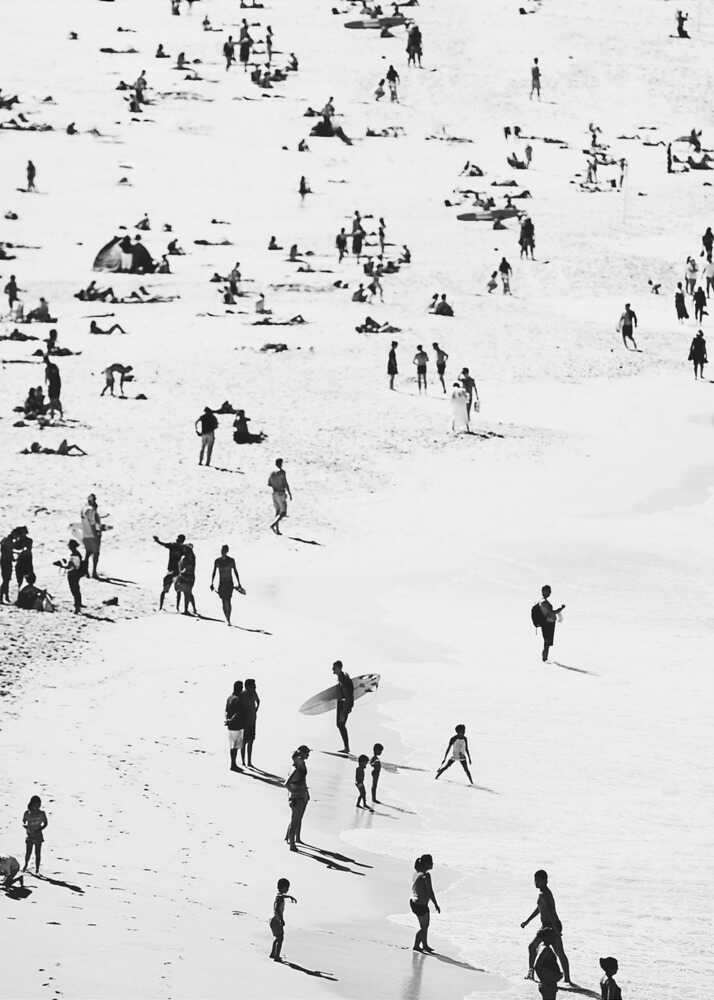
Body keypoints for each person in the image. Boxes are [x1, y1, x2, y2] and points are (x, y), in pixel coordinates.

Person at [522, 869, 572, 985]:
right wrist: (527, 921)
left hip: (551, 927)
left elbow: (550, 912)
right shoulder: (542, 894)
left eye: (538, 880)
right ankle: (531, 972)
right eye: (535, 880)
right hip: (546, 926)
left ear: (545, 881)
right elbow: (539, 909)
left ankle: (567, 979)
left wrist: (556, 930)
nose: (536, 882)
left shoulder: (545, 894)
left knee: (559, 952)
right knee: (532, 947)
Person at [411, 855, 440, 952]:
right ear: (425, 864)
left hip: (414, 903)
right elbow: (430, 892)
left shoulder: (417, 873)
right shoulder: (426, 876)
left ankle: (425, 945)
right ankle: (416, 945)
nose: (432, 864)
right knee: (424, 927)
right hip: (421, 905)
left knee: (424, 926)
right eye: (431, 862)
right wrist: (436, 904)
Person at [210, 544, 245, 626]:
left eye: (224, 550)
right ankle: (227, 618)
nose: (222, 552)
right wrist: (212, 583)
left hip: (229, 583)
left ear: (227, 551)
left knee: (228, 601)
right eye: (222, 550)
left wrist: (239, 583)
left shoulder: (231, 560)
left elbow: (235, 571)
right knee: (223, 601)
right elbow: (214, 572)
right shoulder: (217, 561)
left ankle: (228, 618)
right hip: (221, 583)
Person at [285, 746, 310, 850]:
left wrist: (306, 793)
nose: (308, 754)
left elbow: (303, 780)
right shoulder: (295, 768)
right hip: (297, 797)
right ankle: (292, 845)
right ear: (301, 755)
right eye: (307, 753)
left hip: (303, 795)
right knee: (295, 820)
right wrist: (294, 793)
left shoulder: (302, 764)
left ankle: (291, 838)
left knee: (298, 818)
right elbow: (286, 784)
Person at [153, 533, 186, 609]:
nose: (177, 540)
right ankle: (161, 607)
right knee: (168, 589)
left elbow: (163, 544)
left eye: (179, 539)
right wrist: (157, 540)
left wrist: (157, 541)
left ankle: (175, 607)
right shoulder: (176, 546)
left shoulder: (180, 547)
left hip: (176, 571)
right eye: (177, 539)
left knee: (177, 590)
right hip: (173, 571)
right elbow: (163, 544)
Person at [534, 584, 565, 661]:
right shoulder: (544, 602)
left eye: (550, 591)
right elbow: (551, 613)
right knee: (547, 642)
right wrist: (560, 609)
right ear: (544, 592)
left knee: (547, 642)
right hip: (548, 624)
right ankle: (545, 659)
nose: (549, 593)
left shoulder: (542, 602)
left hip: (548, 623)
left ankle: (545, 658)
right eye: (548, 591)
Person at [269, 878, 297, 961]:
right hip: (277, 921)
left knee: (278, 938)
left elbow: (281, 896)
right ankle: (276, 957)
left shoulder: (279, 896)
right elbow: (277, 909)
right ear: (283, 887)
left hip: (274, 920)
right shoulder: (280, 897)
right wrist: (281, 920)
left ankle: (272, 954)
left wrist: (289, 896)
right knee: (280, 939)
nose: (288, 889)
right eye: (287, 887)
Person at [534, 928, 564, 1000]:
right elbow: (537, 966)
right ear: (546, 937)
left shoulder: (541, 946)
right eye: (552, 936)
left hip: (548, 984)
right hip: (548, 985)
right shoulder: (545, 949)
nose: (554, 938)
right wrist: (547, 979)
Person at [331, 660, 354, 753]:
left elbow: (348, 693)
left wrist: (345, 709)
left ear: (339, 668)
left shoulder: (343, 678)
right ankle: (346, 747)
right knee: (340, 724)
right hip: (342, 703)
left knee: (340, 724)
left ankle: (347, 748)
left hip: (344, 704)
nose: (332, 669)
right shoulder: (342, 676)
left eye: (334, 667)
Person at [22, 796, 48, 874]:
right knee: (28, 852)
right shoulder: (27, 813)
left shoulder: (42, 813)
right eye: (35, 804)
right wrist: (26, 827)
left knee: (37, 853)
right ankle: (26, 864)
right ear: (31, 804)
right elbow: (24, 822)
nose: (37, 806)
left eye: (38, 804)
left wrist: (40, 829)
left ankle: (37, 868)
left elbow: (46, 823)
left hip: (38, 835)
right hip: (30, 834)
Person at [81, 493, 102, 578]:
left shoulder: (83, 509)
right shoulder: (91, 510)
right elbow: (92, 524)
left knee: (87, 553)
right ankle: (94, 572)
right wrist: (96, 534)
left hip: (85, 534)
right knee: (96, 554)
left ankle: (85, 571)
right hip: (92, 535)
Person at [268, 458, 292, 535]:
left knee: (277, 512)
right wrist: (289, 493)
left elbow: (269, 484)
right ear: (281, 463)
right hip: (281, 493)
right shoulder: (282, 472)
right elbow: (285, 483)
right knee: (283, 513)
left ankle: (277, 530)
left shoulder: (272, 473)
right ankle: (273, 525)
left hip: (274, 494)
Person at [60, 539, 84, 613]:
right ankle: (78, 605)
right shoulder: (77, 554)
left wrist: (61, 565)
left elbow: (71, 566)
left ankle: (77, 607)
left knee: (74, 590)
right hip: (76, 573)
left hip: (73, 574)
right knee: (76, 589)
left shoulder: (74, 555)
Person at [225, 680, 245, 771]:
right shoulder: (238, 699)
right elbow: (238, 713)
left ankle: (233, 764)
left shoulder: (229, 698)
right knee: (235, 746)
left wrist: (228, 720)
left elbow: (226, 711)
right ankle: (233, 765)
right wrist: (231, 720)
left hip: (230, 725)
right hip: (236, 724)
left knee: (232, 745)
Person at [240, 678, 260, 767]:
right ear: (248, 686)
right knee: (244, 742)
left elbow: (258, 701)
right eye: (253, 685)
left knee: (251, 741)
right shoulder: (243, 694)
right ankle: (243, 761)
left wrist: (255, 710)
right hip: (245, 722)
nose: (255, 687)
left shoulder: (253, 693)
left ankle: (249, 761)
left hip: (252, 721)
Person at [175, 543, 196, 615]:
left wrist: (181, 572)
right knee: (187, 593)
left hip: (188, 576)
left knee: (187, 593)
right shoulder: (185, 557)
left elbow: (188, 567)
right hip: (185, 576)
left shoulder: (190, 557)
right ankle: (189, 609)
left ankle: (187, 609)